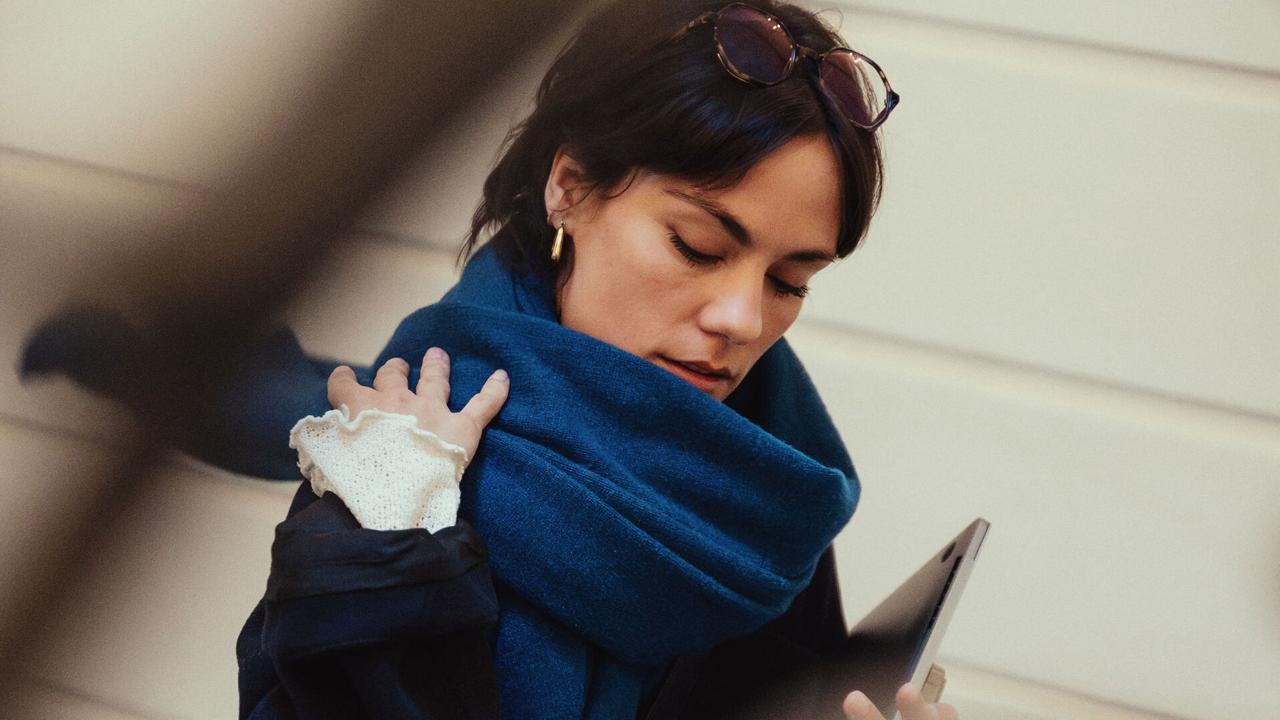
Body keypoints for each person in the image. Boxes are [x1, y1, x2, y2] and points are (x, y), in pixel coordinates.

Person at [22, 1, 956, 718]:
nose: (741, 317)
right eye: (699, 246)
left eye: (792, 280)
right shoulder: (396, 464)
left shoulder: (761, 486)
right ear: (570, 184)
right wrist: (386, 560)